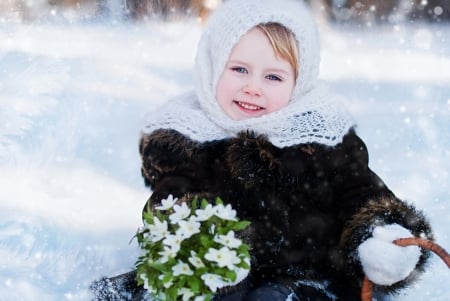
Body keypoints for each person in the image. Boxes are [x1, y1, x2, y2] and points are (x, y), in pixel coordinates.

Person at [91, 0, 433, 300]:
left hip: (307, 274)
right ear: (212, 67)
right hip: (224, 272)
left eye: (273, 77)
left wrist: (381, 234)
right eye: (239, 69)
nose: (253, 87)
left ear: (299, 83)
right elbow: (169, 202)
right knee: (199, 289)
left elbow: (361, 192)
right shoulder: (189, 138)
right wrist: (205, 240)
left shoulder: (321, 137)